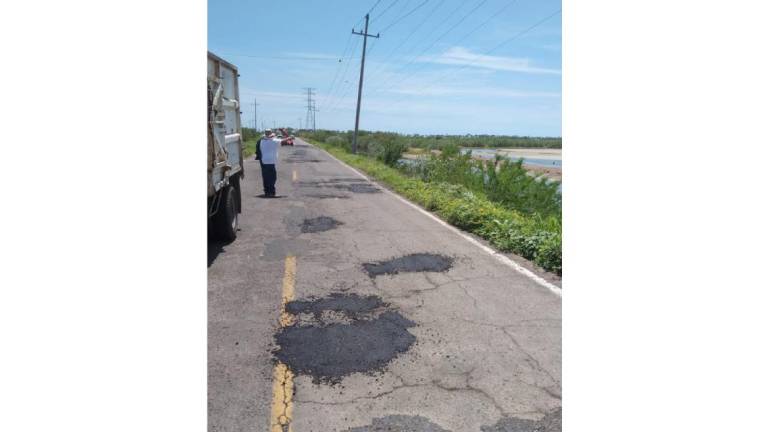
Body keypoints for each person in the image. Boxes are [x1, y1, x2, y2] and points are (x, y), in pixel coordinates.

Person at [258, 128, 293, 197]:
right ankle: (271, 192)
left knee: (266, 177)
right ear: (271, 135)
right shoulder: (274, 141)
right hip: (271, 162)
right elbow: (286, 140)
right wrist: (289, 136)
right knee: (272, 178)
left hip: (264, 161)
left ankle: (267, 191)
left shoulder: (262, 141)